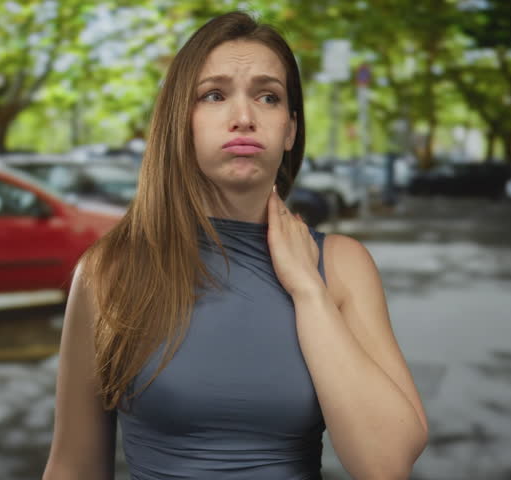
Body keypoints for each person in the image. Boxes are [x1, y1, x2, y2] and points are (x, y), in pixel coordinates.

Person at [43, 11, 428, 480]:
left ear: (288, 129)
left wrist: (308, 289)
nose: (243, 117)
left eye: (268, 97)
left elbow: (386, 464)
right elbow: (72, 467)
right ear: (181, 122)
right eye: (214, 95)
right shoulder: (110, 271)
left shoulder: (342, 266)